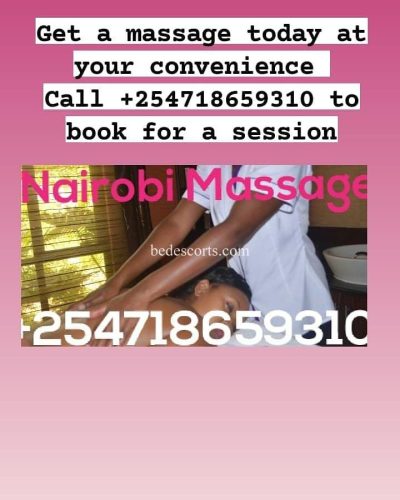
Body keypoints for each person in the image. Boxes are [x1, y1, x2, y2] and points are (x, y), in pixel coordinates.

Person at [73, 165, 334, 346]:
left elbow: (235, 229)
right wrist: (116, 283)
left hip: (298, 311)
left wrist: (141, 293)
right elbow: (176, 223)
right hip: (245, 313)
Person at [22, 267, 251, 347]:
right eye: (229, 308)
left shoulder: (125, 297)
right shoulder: (191, 326)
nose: (227, 325)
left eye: (234, 326)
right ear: (202, 288)